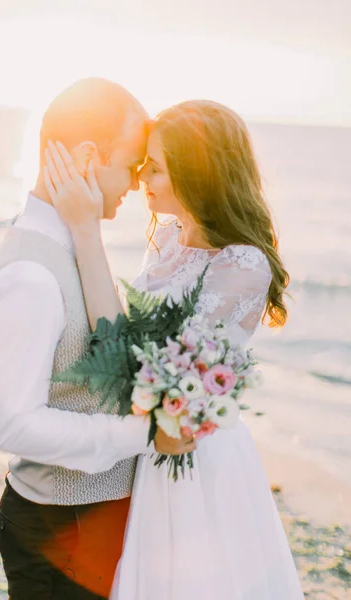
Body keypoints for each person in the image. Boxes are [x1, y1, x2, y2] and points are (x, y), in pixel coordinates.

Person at [43, 99, 305, 599]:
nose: (142, 175)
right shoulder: (165, 237)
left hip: (195, 455)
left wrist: (86, 230)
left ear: (196, 174)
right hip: (150, 443)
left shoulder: (242, 265)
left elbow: (129, 356)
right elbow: (116, 328)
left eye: (156, 167)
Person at [0, 78, 196, 600]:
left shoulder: (70, 241)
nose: (137, 182)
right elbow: (16, 425)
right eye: (132, 162)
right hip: (59, 529)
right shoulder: (29, 276)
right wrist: (144, 436)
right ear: (90, 155)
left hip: (86, 522)